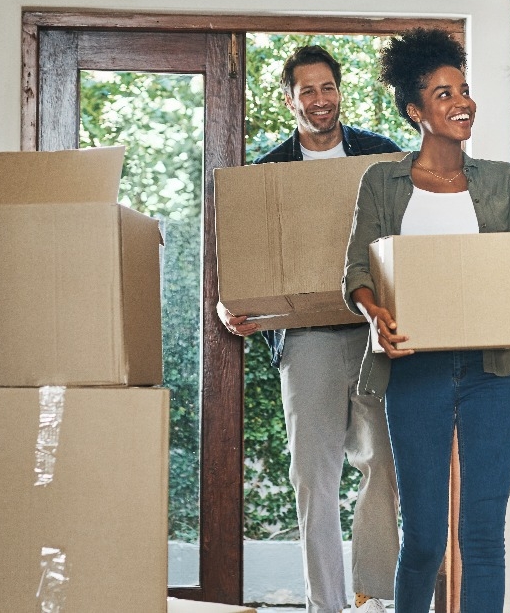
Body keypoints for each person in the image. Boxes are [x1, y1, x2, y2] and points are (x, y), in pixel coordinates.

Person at [342, 28, 510, 613]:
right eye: (444, 94)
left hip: (492, 373)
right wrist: (374, 315)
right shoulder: (382, 182)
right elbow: (357, 270)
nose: (462, 103)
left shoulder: (502, 180)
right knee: (424, 536)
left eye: (464, 90)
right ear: (415, 111)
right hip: (415, 370)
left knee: (482, 536)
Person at [216, 44, 400, 613]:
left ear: (339, 91)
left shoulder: (382, 157)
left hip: (373, 332)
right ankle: (326, 605)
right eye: (308, 91)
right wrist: (230, 307)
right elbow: (240, 262)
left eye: (328, 88)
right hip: (306, 339)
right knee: (313, 479)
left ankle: (373, 597)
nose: (320, 100)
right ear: (289, 99)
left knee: (383, 466)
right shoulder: (267, 173)